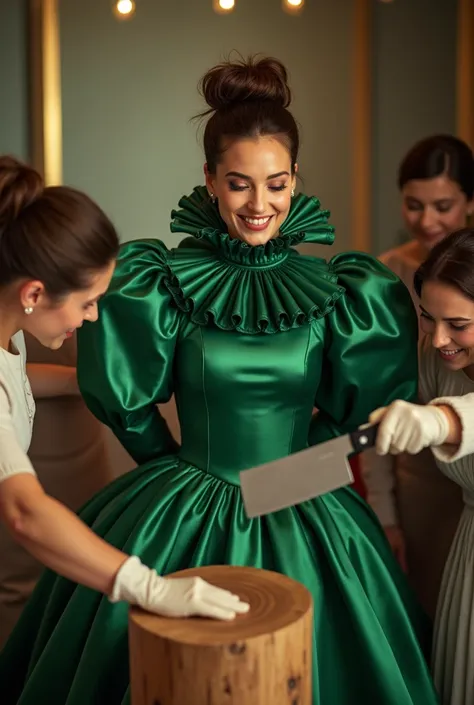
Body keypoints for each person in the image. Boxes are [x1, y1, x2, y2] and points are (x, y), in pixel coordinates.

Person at [0, 57, 438, 705]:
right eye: (238, 183)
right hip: (185, 493)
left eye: (277, 183)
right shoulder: (159, 279)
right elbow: (127, 403)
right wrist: (178, 475)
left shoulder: (349, 290)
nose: (259, 204)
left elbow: (359, 418)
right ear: (208, 179)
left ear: (296, 181)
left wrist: (294, 475)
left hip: (306, 504)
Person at [0, 155, 249, 648]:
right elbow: (24, 511)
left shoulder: (12, 330)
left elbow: (17, 379)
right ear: (33, 292)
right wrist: (150, 587)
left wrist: (81, 381)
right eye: (87, 301)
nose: (92, 317)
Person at [362, 135, 473, 617]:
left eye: (443, 205)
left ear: (469, 201)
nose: (428, 220)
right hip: (419, 480)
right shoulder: (387, 278)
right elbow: (378, 396)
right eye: (414, 205)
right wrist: (385, 512)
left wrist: (439, 422)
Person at [366, 227, 474, 705]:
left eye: (458, 324)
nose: (439, 337)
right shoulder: (434, 359)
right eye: (428, 318)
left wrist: (439, 422)